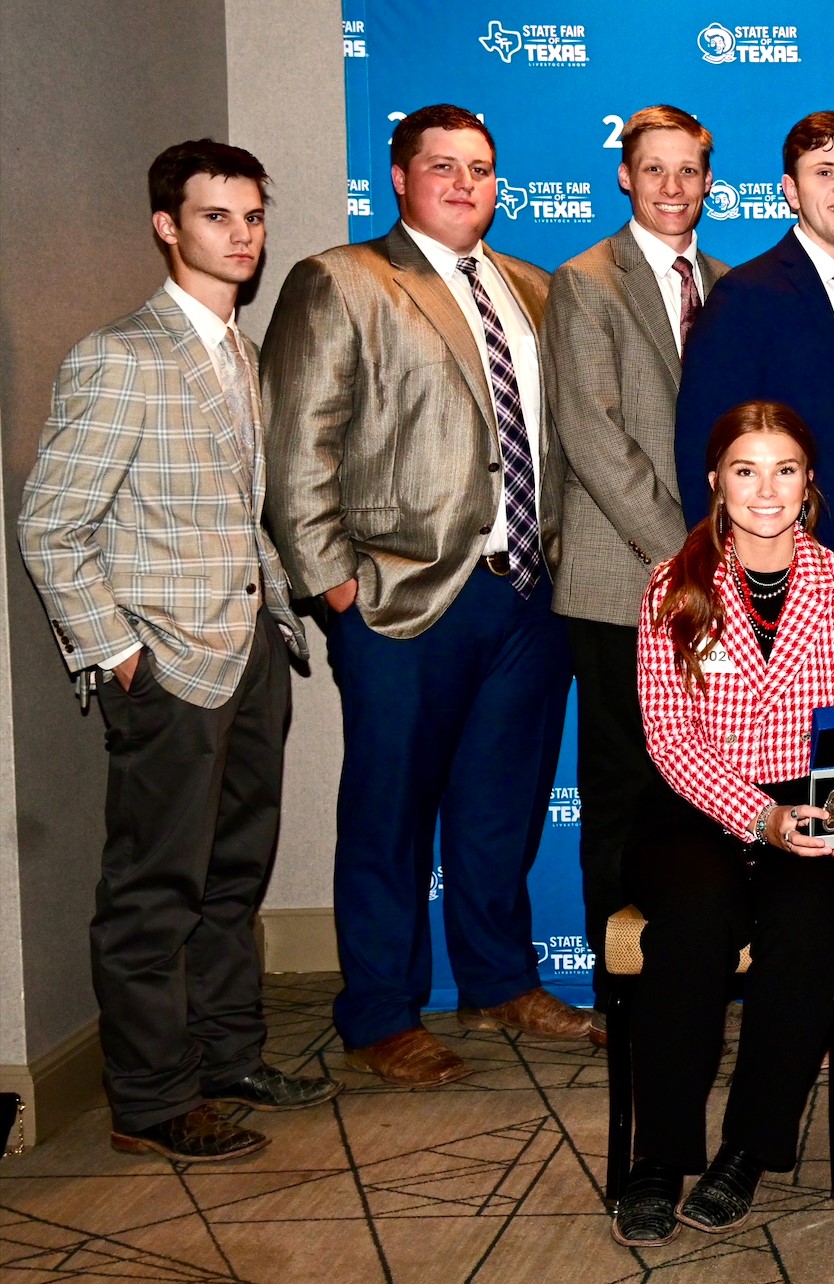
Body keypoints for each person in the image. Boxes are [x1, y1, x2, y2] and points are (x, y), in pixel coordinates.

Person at [16, 139, 334, 1162]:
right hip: (165, 670)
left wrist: (275, 617)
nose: (239, 236)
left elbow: (242, 514)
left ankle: (226, 1054)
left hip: (246, 653)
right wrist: (114, 653)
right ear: (167, 225)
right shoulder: (122, 354)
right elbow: (50, 525)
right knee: (154, 890)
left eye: (251, 217)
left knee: (233, 876)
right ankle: (150, 1103)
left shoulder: (235, 351)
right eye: (215, 218)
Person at [265, 105, 590, 1087]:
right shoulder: (342, 280)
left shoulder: (534, 289)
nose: (464, 183)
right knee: (389, 817)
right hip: (401, 602)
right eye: (441, 166)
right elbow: (296, 449)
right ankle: (378, 1014)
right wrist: (332, 587)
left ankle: (499, 982)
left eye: (481, 168)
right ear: (398, 178)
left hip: (528, 598)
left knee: (501, 812)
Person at [614, 401, 834, 1246]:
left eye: (784, 470)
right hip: (696, 801)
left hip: (810, 800)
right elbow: (670, 737)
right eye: (745, 470)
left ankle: (747, 1149)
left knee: (803, 929)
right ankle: (659, 1155)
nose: (765, 490)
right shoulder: (672, 584)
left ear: (809, 484)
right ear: (714, 483)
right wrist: (757, 816)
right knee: (694, 922)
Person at [542, 104, 729, 1010]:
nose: (670, 188)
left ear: (707, 180)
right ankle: (624, 994)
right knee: (618, 790)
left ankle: (690, 975)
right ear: (624, 175)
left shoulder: (728, 284)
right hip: (624, 582)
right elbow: (594, 438)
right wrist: (693, 557)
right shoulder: (585, 282)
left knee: (707, 781)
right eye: (652, 170)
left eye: (687, 170)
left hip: (721, 583)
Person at [677, 111, 834, 573]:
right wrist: (722, 571)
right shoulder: (744, 297)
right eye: (825, 173)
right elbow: (704, 445)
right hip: (777, 568)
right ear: (791, 191)